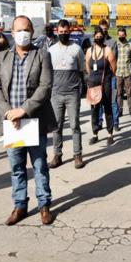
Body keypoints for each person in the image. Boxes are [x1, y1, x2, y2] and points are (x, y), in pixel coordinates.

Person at [0, 16, 57, 226]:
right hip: (12, 122)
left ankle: (44, 205)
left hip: (33, 120)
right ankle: (20, 205)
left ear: (32, 31)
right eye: (19, 30)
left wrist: (23, 110)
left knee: (39, 165)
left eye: (26, 29)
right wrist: (9, 112)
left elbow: (45, 87)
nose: (23, 33)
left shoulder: (42, 56)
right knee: (17, 167)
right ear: (12, 33)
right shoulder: (2, 57)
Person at [48, 19, 86, 170]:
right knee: (56, 126)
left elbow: (82, 70)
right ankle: (57, 155)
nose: (63, 34)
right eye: (61, 32)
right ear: (57, 32)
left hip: (72, 94)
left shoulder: (77, 49)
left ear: (70, 31)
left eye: (66, 32)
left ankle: (77, 155)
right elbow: (47, 72)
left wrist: (83, 90)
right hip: (56, 94)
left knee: (75, 125)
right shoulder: (51, 50)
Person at [85, 26, 116, 145]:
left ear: (103, 37)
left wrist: (108, 77)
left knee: (107, 107)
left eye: (100, 36)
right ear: (93, 37)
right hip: (93, 83)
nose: (98, 38)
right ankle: (95, 133)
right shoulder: (89, 51)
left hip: (106, 83)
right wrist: (92, 77)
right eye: (96, 36)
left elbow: (114, 67)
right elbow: (87, 67)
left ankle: (110, 133)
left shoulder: (107, 50)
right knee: (94, 109)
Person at [115, 27, 131, 120]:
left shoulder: (130, 45)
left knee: (129, 93)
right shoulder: (116, 45)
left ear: (126, 35)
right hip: (118, 73)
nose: (121, 37)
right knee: (119, 93)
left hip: (127, 72)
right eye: (119, 35)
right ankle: (120, 111)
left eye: (122, 35)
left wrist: (129, 66)